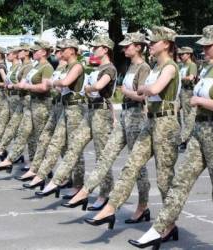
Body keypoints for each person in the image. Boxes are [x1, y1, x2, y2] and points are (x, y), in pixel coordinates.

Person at [128, 25, 213, 250]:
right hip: (200, 132)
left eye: (209, 45)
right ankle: (159, 228)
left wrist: (199, 102)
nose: (204, 49)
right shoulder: (209, 69)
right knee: (180, 183)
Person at [84, 26, 181, 229]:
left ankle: (169, 225)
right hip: (151, 121)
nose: (151, 45)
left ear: (166, 44)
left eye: (154, 42)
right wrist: (140, 90)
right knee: (131, 165)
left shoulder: (170, 67)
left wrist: (140, 89)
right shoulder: (155, 67)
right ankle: (110, 208)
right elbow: (145, 90)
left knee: (164, 179)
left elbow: (151, 89)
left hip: (166, 123)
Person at [64, 32, 151, 221]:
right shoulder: (130, 66)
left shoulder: (143, 67)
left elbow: (142, 95)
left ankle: (143, 205)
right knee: (106, 154)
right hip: (125, 114)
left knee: (137, 166)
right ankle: (86, 191)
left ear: (138, 47)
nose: (124, 49)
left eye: (128, 46)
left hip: (136, 116)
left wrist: (126, 91)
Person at [35, 35, 116, 211]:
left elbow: (99, 86)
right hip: (91, 110)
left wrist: (90, 89)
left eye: (97, 47)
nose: (94, 49)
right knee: (75, 146)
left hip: (101, 113)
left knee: (102, 155)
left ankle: (104, 193)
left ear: (105, 49)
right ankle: (56, 181)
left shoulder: (109, 68)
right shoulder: (95, 68)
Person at [19, 38, 86, 193]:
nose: (60, 52)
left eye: (63, 49)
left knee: (74, 148)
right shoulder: (64, 65)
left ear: (72, 50)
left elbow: (64, 82)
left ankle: (77, 184)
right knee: (54, 142)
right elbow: (57, 82)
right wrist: (53, 82)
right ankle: (42, 175)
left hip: (75, 109)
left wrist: (51, 83)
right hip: (63, 107)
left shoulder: (77, 66)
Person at [0, 40, 53, 173]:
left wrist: (25, 86)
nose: (33, 52)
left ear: (43, 52)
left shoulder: (46, 67)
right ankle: (11, 159)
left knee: (40, 138)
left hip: (42, 105)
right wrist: (21, 85)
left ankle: (41, 168)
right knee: (24, 132)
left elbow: (44, 87)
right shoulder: (36, 66)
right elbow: (23, 83)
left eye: (35, 51)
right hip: (32, 103)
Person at [0, 43, 34, 162]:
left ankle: (30, 161)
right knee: (13, 128)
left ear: (27, 52)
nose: (15, 54)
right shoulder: (19, 67)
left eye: (19, 51)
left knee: (28, 133)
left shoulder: (27, 66)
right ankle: (3, 152)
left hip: (25, 100)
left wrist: (11, 86)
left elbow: (19, 84)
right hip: (16, 99)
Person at [177, 46, 198, 150]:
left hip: (188, 91)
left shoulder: (192, 65)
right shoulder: (182, 65)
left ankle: (186, 140)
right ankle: (179, 136)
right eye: (180, 54)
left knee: (187, 117)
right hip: (181, 91)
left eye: (183, 54)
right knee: (174, 111)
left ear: (189, 54)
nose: (181, 56)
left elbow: (191, 77)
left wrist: (179, 78)